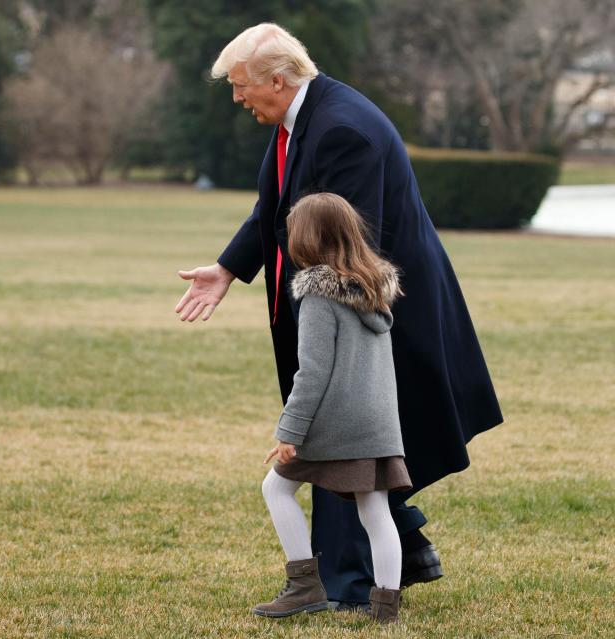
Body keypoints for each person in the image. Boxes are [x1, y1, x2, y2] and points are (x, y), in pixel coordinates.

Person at [175, 23, 503, 607]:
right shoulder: (304, 119)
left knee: (339, 438)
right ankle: (394, 557)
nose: (236, 97)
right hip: (353, 304)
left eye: (241, 85)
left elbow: (349, 248)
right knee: (359, 450)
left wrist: (321, 346)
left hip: (376, 312)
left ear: (278, 80)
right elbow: (274, 208)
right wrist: (228, 269)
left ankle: (342, 584)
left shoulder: (342, 130)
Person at [255, 193, 410, 624]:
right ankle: (386, 608)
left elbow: (313, 373)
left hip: (337, 422)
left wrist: (289, 431)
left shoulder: (319, 298)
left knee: (276, 488)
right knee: (376, 510)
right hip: (378, 423)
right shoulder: (374, 291)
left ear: (307, 238)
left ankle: (304, 586)